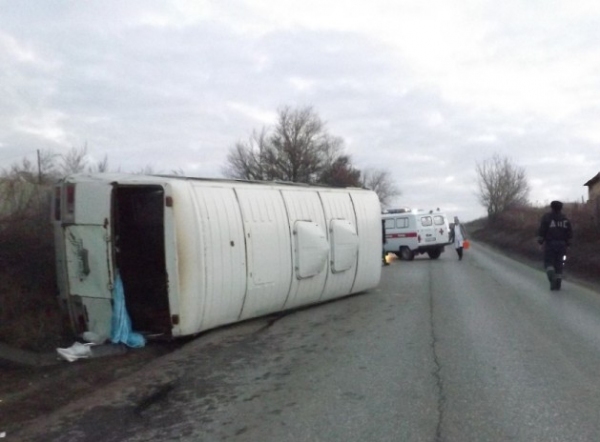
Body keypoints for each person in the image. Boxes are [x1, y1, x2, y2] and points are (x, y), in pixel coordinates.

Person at [537, 200, 573, 290]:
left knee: (548, 262)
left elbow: (542, 230)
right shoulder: (565, 219)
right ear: (561, 208)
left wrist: (540, 242)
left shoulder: (546, 217)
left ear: (551, 207)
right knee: (559, 263)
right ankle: (558, 282)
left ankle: (551, 276)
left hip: (550, 243)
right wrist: (568, 244)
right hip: (562, 245)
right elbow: (570, 233)